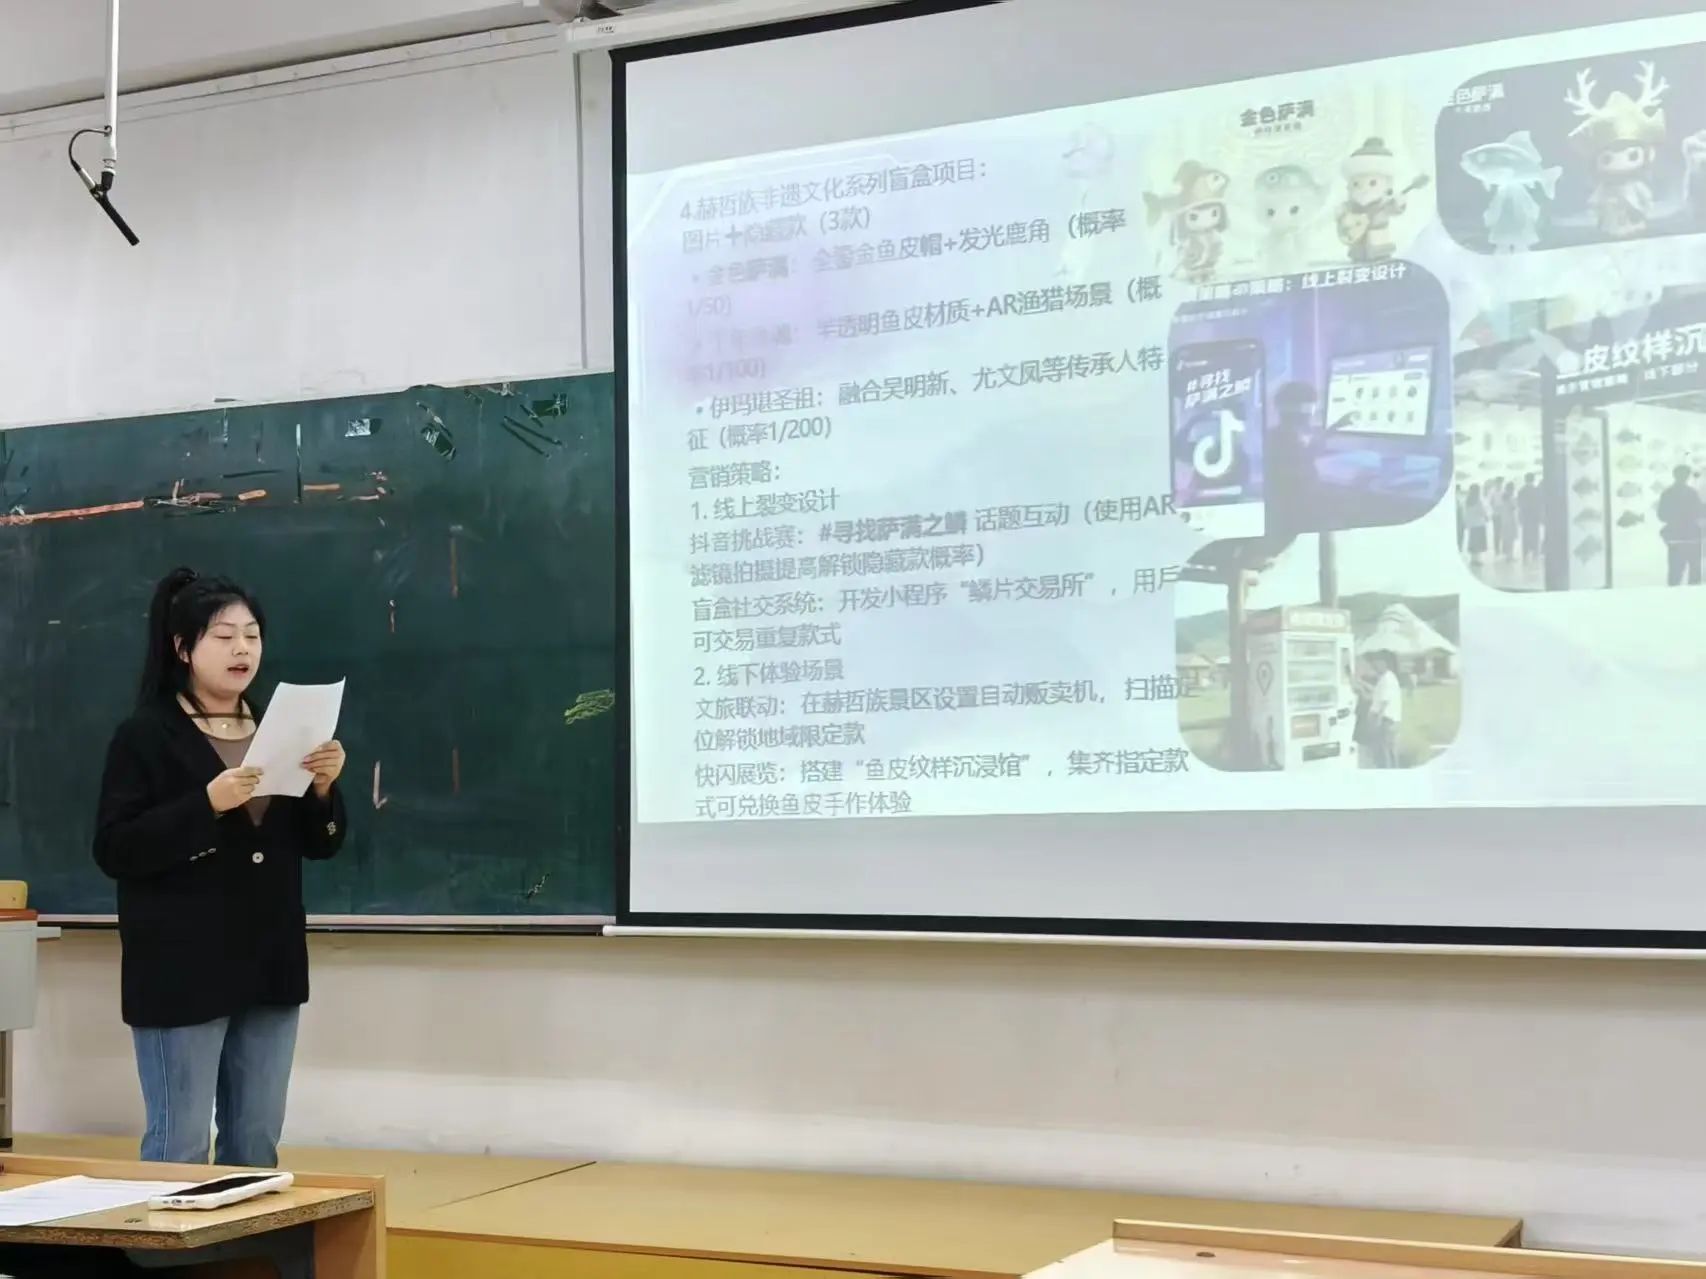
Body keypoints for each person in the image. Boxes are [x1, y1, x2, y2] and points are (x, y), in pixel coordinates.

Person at [93, 568, 347, 1167]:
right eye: (224, 636)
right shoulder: (146, 734)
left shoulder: (283, 728)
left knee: (255, 1144)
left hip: (270, 960)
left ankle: (245, 1231)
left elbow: (320, 844)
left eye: (252, 636)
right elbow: (115, 848)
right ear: (183, 648)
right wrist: (206, 804)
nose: (242, 650)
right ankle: (167, 1235)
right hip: (183, 964)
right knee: (179, 1144)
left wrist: (323, 790)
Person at [1657, 464, 1704, 586]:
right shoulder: (1692, 493)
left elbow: (1661, 515)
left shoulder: (1667, 493)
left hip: (1677, 537)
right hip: (1690, 538)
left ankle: (1674, 597)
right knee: (1693, 574)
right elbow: (1700, 512)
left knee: (1675, 574)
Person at [1365, 654, 1405, 769]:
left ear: (1384, 664)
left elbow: (1384, 701)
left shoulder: (1387, 679)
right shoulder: (1385, 678)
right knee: (1387, 750)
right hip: (1387, 720)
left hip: (1387, 720)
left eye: (1377, 663)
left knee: (1386, 751)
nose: (1374, 666)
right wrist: (1361, 683)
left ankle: (1389, 774)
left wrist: (1378, 719)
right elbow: (1377, 692)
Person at [1517, 473, 1544, 563]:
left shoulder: (1521, 490)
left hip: (1525, 516)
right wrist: (1541, 516)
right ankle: (1535, 552)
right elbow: (1540, 504)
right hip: (1535, 516)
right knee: (1535, 534)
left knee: (1525, 534)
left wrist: (1520, 517)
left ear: (1525, 479)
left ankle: (1525, 552)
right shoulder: (1537, 490)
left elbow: (1519, 504)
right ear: (1533, 479)